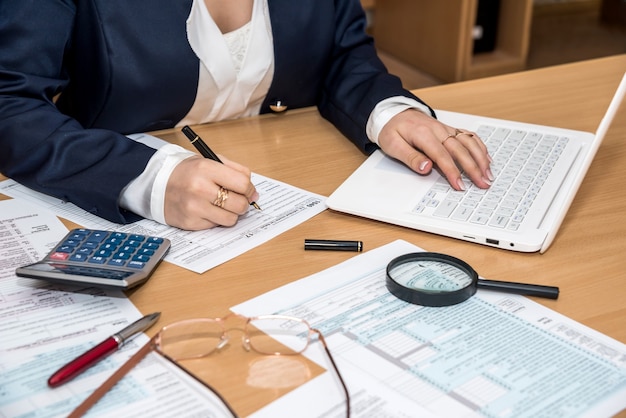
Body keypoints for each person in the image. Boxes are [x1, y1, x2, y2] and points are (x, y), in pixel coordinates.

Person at [0, 0, 493, 231]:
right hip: (113, 215)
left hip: (287, 201)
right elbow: (10, 105)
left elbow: (341, 56)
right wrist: (150, 179)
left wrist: (389, 112)